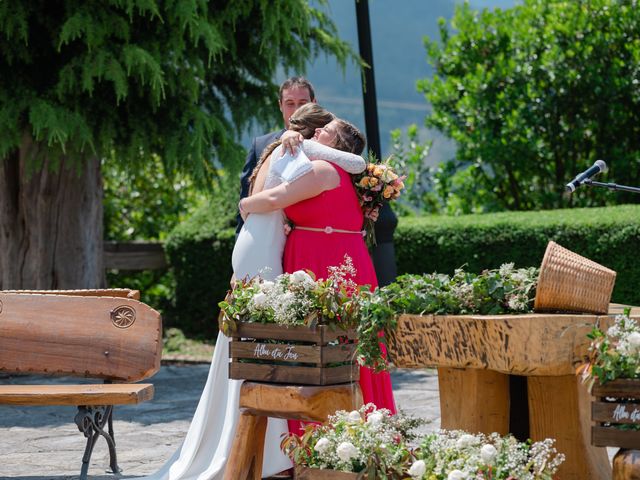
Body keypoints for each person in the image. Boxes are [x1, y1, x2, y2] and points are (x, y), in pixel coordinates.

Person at [133, 105, 367, 480]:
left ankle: (254, 445)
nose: (320, 139)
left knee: (256, 338)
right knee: (262, 339)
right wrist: (247, 205)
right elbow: (279, 196)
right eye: (321, 132)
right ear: (312, 132)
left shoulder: (285, 147)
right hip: (263, 243)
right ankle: (266, 454)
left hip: (262, 237)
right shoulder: (295, 149)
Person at [239, 118, 397, 432]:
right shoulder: (340, 176)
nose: (317, 132)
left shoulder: (323, 170)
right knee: (333, 344)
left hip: (326, 261)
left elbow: (275, 198)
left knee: (330, 344)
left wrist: (245, 204)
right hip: (328, 254)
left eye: (326, 131)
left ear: (336, 145)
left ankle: (329, 429)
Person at [236, 76, 316, 235]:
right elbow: (246, 196)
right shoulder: (260, 146)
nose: (296, 110)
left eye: (302, 103)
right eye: (290, 104)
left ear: (314, 103)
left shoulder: (327, 143)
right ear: (280, 106)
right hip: (268, 238)